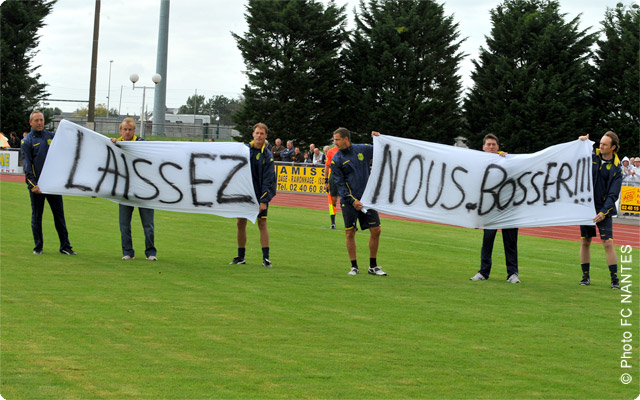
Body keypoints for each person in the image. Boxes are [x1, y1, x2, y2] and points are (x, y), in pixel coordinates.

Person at [330, 127, 387, 276]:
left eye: (337, 139)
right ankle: (354, 266)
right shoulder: (336, 160)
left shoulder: (362, 149)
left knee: (376, 230)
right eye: (334, 140)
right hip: (349, 201)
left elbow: (382, 150)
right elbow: (340, 184)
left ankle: (373, 266)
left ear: (346, 139)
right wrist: (352, 200)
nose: (335, 143)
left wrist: (379, 138)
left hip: (367, 199)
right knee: (350, 232)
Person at [21, 110, 77, 255]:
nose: (40, 123)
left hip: (53, 185)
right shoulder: (27, 142)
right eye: (36, 120)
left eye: (41, 120)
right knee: (37, 216)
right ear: (30, 122)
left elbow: (67, 145)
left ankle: (65, 246)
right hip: (38, 187)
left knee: (59, 216)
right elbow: (27, 166)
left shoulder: (51, 136)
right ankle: (38, 247)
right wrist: (33, 185)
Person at [470, 134, 520, 283]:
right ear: (483, 147)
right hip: (489, 208)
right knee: (488, 239)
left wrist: (508, 159)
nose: (491, 147)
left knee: (510, 241)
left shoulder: (507, 160)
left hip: (508, 207)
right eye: (488, 144)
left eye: (493, 144)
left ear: (498, 146)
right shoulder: (478, 162)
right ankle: (483, 272)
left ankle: (512, 273)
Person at [578, 132, 623, 289]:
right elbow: (575, 155)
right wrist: (580, 142)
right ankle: (585, 277)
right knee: (585, 241)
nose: (600, 146)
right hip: (586, 207)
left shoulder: (617, 168)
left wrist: (603, 212)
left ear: (613, 147)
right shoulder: (592, 156)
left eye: (604, 144)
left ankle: (614, 279)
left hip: (604, 210)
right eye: (600, 143)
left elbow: (613, 194)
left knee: (608, 243)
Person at [229, 122, 277, 268]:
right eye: (257, 133)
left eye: (262, 134)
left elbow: (269, 180)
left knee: (262, 224)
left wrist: (263, 200)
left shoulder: (267, 156)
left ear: (266, 136)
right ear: (253, 134)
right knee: (240, 223)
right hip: (244, 193)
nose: (259, 136)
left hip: (259, 194)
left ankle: (266, 258)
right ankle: (241, 256)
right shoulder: (244, 150)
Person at [110, 117, 157, 261]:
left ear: (134, 130)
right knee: (124, 224)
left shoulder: (142, 144)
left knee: (148, 224)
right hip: (125, 191)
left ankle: (151, 253)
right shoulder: (115, 143)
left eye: (130, 129)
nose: (127, 132)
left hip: (144, 190)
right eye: (125, 129)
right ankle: (128, 252)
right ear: (121, 130)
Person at [324, 144, 339, 229]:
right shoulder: (330, 151)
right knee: (333, 200)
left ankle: (352, 223)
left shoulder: (348, 150)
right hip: (334, 176)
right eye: (335, 140)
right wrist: (326, 181)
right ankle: (333, 223)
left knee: (349, 199)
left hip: (346, 176)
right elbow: (327, 166)